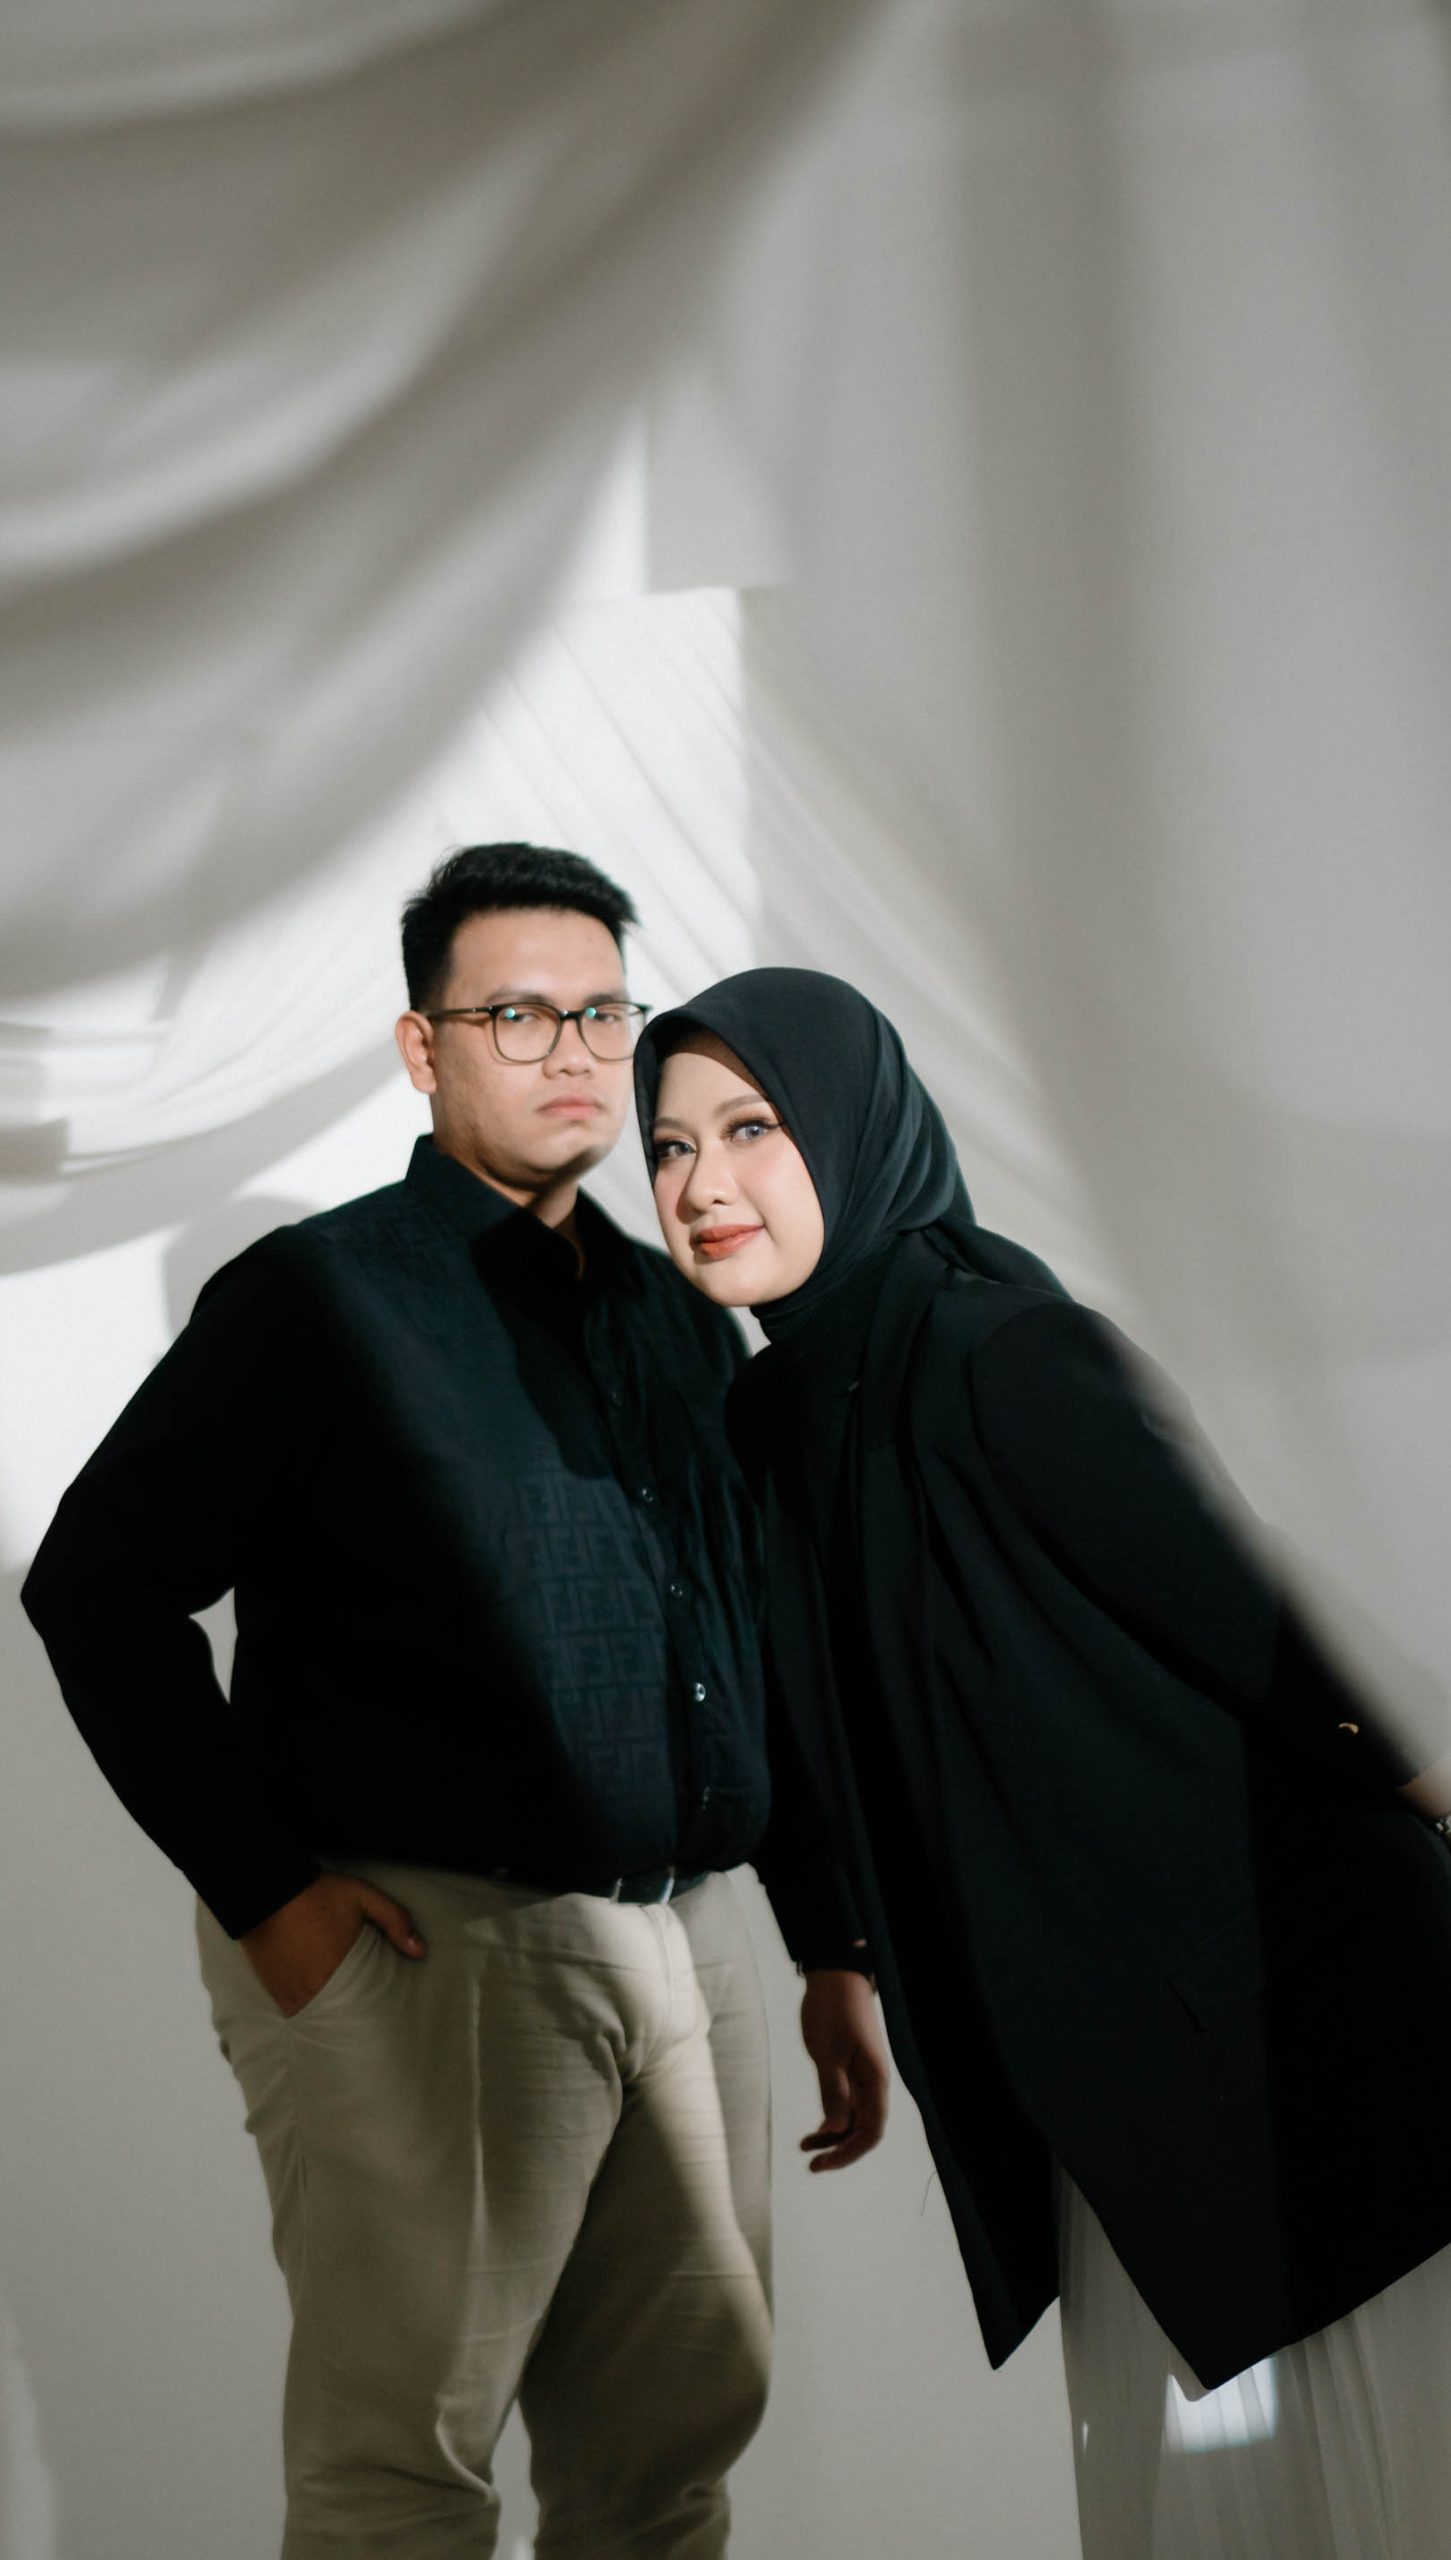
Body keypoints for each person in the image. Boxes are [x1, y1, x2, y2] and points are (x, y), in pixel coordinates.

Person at [21, 850, 886, 2560]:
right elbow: (97, 1587)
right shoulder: (320, 1300)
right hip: (438, 1949)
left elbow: (752, 1633)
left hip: (690, 1946)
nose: (575, 1052)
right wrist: (269, 1898)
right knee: (404, 2478)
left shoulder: (678, 1313)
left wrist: (832, 1941)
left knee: (667, 2472)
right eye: (519, 1016)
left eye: (603, 1013)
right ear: (425, 1049)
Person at [635, 964, 1451, 2560]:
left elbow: (1273, 1622)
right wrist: (839, 1955)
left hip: (1289, 2042)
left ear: (853, 1130)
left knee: (1363, 2493)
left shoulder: (995, 1347)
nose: (703, 1184)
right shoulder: (782, 1417)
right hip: (1110, 2070)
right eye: (668, 1148)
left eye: (751, 1128)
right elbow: (822, 1718)